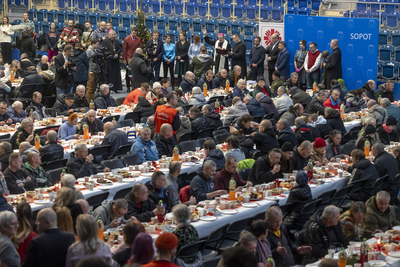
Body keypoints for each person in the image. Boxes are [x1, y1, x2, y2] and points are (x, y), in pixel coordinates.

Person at [123, 27, 141, 92]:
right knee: (128, 73)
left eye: (136, 33)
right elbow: (124, 50)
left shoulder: (138, 39)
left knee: (135, 73)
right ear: (131, 32)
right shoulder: (126, 39)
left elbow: (139, 49)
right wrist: (124, 59)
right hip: (129, 57)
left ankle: (134, 86)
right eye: (133, 33)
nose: (134, 34)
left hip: (135, 57)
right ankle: (128, 86)